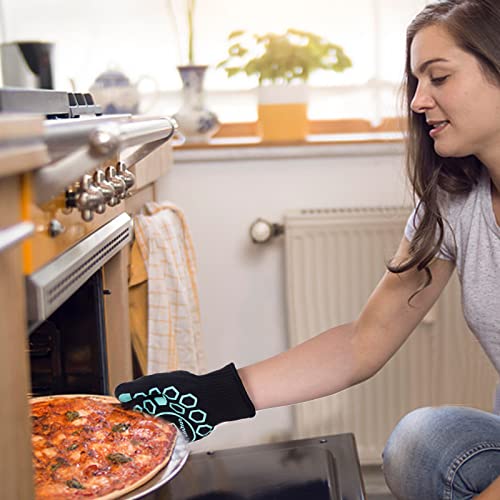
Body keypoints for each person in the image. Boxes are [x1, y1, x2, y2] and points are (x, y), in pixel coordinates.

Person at [115, 1, 500, 498]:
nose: (418, 101)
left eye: (439, 77)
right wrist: (214, 396)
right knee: (419, 443)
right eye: (416, 82)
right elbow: (363, 341)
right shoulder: (454, 201)